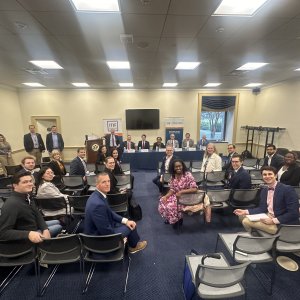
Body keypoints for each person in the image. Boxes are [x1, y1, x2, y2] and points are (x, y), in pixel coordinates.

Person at [84, 172, 147, 254]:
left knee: (128, 222)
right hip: (99, 238)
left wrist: (125, 221)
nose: (107, 184)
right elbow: (106, 232)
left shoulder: (98, 195)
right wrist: (119, 239)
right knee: (132, 226)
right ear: (97, 185)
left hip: (104, 227)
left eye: (108, 181)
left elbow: (110, 212)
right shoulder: (98, 205)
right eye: (104, 182)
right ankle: (133, 247)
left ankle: (132, 244)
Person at [234, 166, 299, 234]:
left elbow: (294, 213)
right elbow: (262, 208)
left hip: (283, 224)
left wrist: (273, 221)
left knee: (246, 221)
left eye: (270, 174)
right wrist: (245, 211)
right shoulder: (264, 190)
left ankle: (259, 238)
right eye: (264, 175)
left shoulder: (287, 189)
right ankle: (257, 235)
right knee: (242, 216)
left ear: (276, 175)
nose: (267, 176)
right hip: (269, 215)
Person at [0, 171, 62, 241]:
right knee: (58, 226)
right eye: (25, 182)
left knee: (57, 222)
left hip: (33, 226)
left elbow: (37, 214)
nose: (30, 184)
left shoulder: (27, 196)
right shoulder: (12, 204)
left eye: (30, 181)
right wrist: (28, 234)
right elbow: (2, 232)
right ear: (15, 185)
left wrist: (45, 229)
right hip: (26, 237)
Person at [158, 159, 211, 228]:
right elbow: (172, 189)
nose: (178, 168)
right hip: (177, 196)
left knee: (170, 206)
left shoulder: (188, 175)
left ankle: (177, 219)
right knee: (162, 200)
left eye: (179, 166)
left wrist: (181, 192)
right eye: (176, 167)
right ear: (173, 168)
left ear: (182, 166)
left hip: (188, 197)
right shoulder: (173, 176)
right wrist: (166, 196)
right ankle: (173, 218)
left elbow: (195, 188)